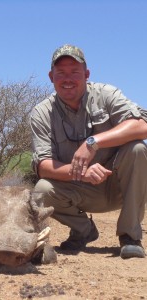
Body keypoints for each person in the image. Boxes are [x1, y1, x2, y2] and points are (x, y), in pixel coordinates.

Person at [30, 44, 147, 259]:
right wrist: (81, 173)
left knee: (138, 148)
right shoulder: (41, 112)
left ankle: (130, 236)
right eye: (61, 73)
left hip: (118, 185)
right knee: (41, 190)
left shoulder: (107, 94)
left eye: (75, 72)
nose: (68, 79)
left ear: (86, 74)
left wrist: (93, 142)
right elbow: (43, 166)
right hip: (79, 190)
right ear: (50, 76)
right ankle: (84, 230)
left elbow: (142, 126)